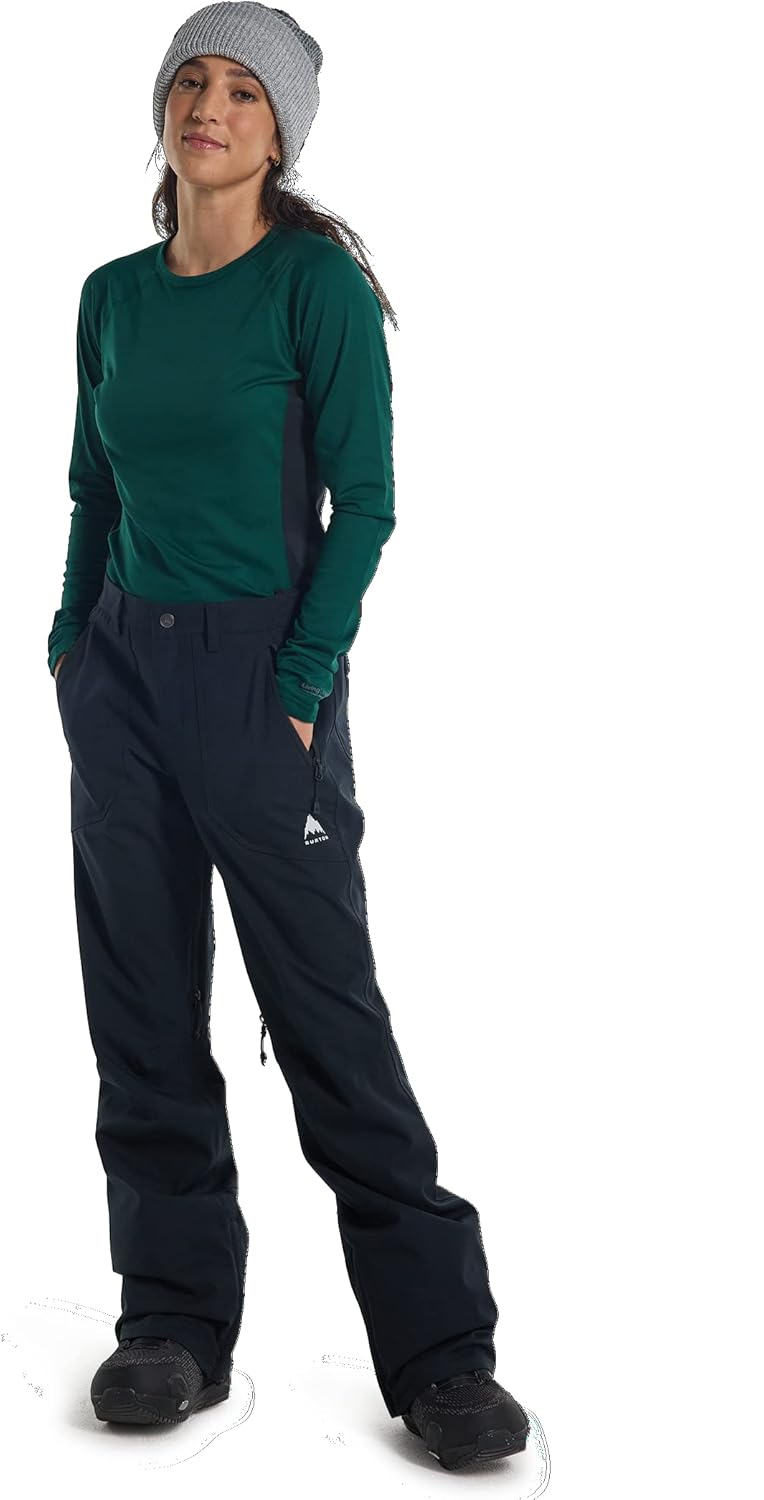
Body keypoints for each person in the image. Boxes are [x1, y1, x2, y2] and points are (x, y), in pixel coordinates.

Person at [48, 2, 529, 1470]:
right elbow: (93, 491)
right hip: (123, 679)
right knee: (141, 1006)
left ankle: (441, 1356)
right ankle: (171, 1325)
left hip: (263, 679)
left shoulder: (313, 287)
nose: (209, 106)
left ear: (282, 131)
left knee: (327, 1013)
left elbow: (365, 502)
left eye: (243, 91)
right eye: (190, 81)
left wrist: (305, 677)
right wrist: (71, 646)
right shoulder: (112, 297)